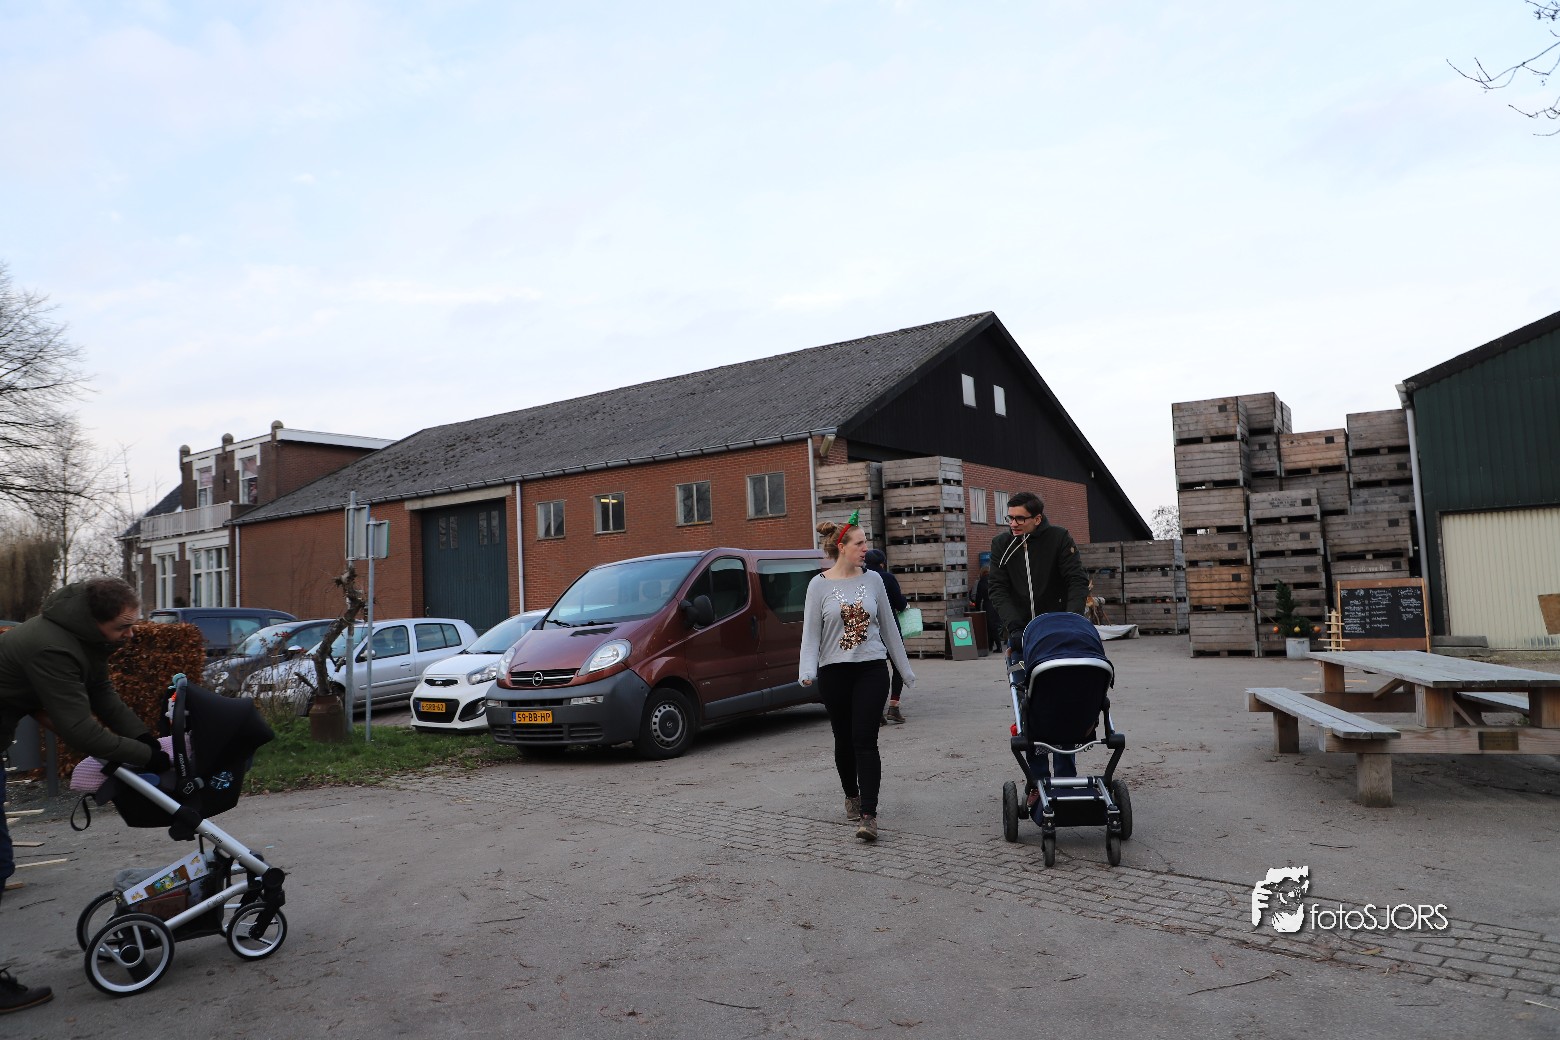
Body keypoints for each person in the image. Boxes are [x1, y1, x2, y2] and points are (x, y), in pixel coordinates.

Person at [0, 577, 171, 1015]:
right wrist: (147, 758)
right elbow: (79, 729)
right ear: (94, 621)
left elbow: (102, 696)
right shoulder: (52, 647)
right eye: (123, 626)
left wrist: (144, 740)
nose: (131, 634)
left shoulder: (83, 639)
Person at [799, 516, 915, 843]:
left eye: (866, 542)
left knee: (865, 739)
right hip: (834, 672)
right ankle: (851, 794)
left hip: (871, 669)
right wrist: (806, 670)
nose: (866, 548)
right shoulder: (818, 585)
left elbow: (890, 629)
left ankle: (869, 815)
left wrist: (905, 670)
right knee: (844, 739)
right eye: (860, 543)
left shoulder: (874, 580)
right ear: (842, 547)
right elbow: (811, 634)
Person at [988, 492, 1089, 789]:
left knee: (1063, 705)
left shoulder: (1059, 538)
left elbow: (1076, 580)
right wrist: (1014, 627)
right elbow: (997, 588)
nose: (1013, 524)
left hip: (1059, 635)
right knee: (1028, 708)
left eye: (1020, 518)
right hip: (1022, 638)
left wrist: (1071, 621)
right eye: (1010, 517)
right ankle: (1038, 780)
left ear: (1037, 518)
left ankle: (1066, 777)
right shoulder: (1002, 545)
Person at [862, 549, 909, 724]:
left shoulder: (860, 578)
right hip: (890, 629)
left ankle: (877, 712)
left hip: (869, 631)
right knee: (897, 666)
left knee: (874, 671)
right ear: (882, 563)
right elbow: (900, 603)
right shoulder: (887, 578)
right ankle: (893, 707)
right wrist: (904, 602)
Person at [967, 565, 1000, 652]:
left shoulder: (982, 582)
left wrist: (977, 608)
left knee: (990, 626)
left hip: (988, 604)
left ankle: (997, 646)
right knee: (993, 625)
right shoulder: (994, 579)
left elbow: (979, 596)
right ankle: (991, 646)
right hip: (996, 604)